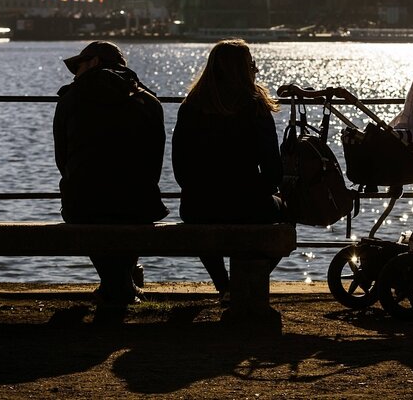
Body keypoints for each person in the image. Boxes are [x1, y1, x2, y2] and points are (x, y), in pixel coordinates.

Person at [53, 40, 168, 309]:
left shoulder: (70, 98)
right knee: (135, 203)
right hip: (139, 204)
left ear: (93, 62)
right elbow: (155, 164)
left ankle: (117, 285)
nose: (75, 73)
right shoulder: (149, 101)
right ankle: (120, 282)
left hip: (82, 205)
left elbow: (62, 160)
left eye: (78, 66)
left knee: (86, 199)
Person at [171, 39, 286, 297]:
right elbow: (271, 168)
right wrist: (264, 189)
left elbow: (180, 166)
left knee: (202, 219)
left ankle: (224, 285)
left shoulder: (191, 105)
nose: (255, 69)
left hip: (198, 205)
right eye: (251, 64)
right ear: (244, 70)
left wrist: (196, 189)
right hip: (247, 202)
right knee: (288, 214)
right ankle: (246, 281)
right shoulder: (255, 106)